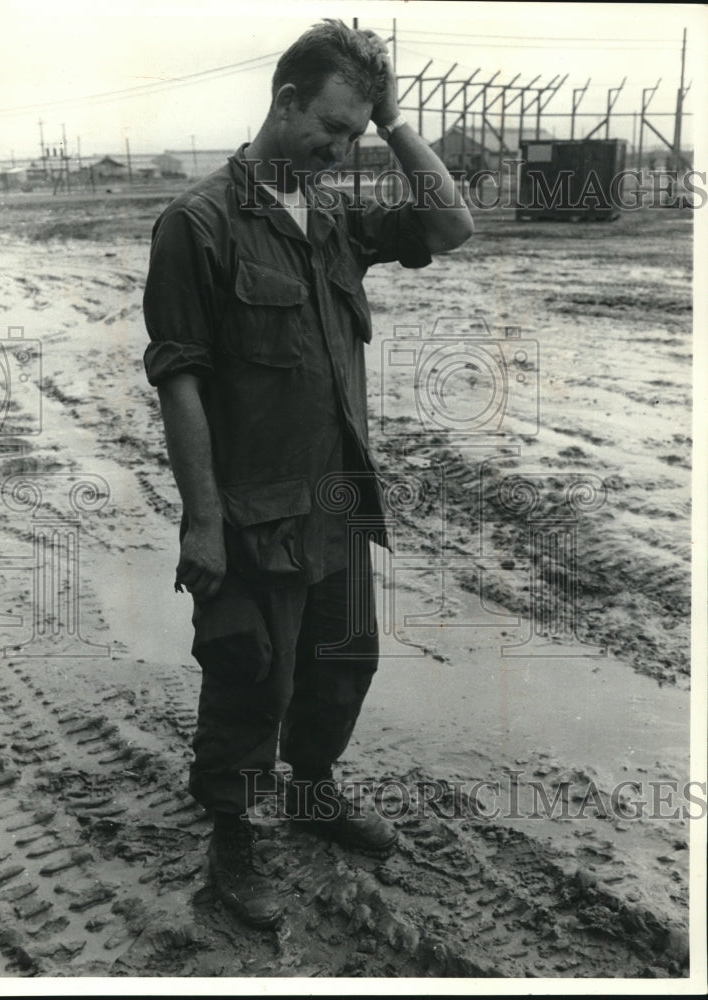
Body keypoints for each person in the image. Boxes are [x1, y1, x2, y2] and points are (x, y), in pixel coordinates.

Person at [142, 19, 473, 930]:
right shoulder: (198, 224)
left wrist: (395, 126)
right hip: (253, 511)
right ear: (285, 102)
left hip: (335, 495)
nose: (339, 151)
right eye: (330, 129)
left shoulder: (332, 217)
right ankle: (232, 833)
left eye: (355, 137)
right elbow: (182, 379)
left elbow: (453, 223)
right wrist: (201, 521)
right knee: (252, 673)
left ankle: (312, 788)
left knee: (341, 662)